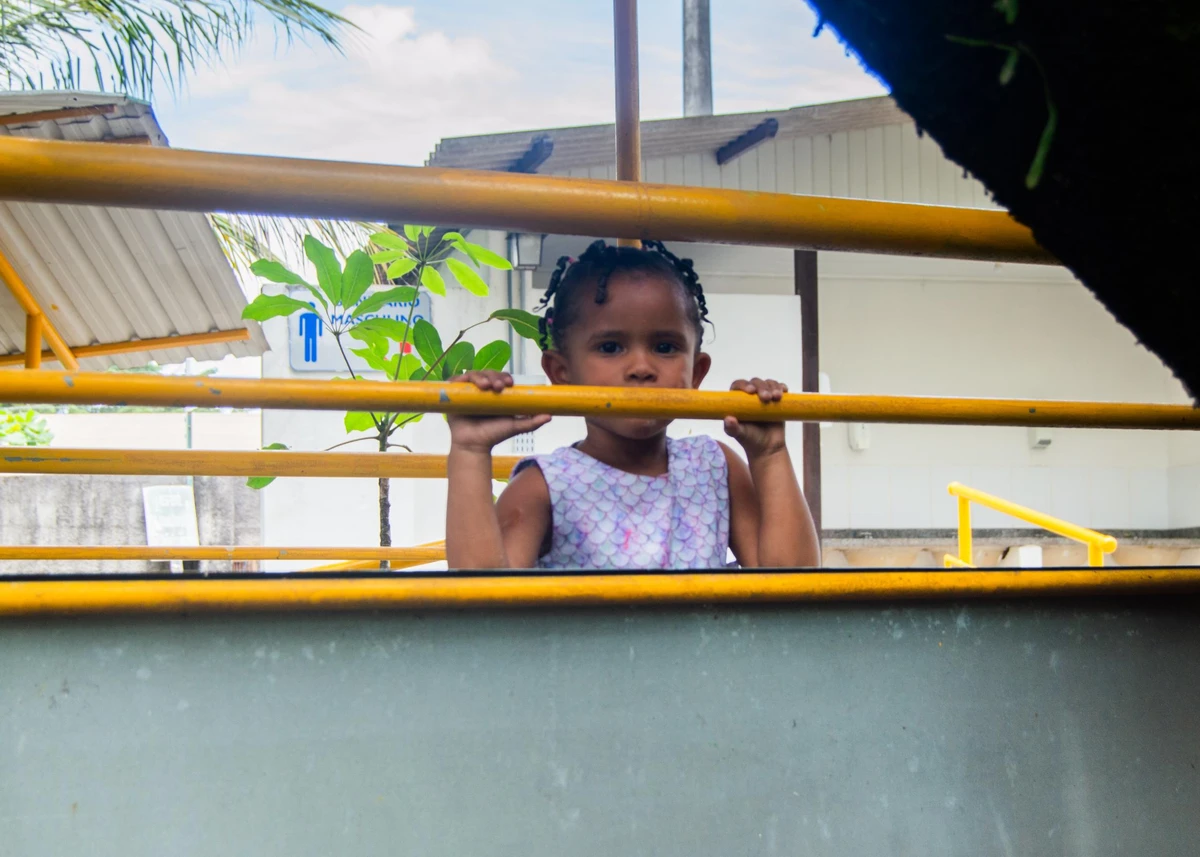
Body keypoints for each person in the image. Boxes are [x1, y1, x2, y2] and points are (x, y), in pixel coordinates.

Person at [445, 239, 820, 570]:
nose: (641, 367)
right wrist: (470, 450)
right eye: (610, 347)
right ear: (562, 372)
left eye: (665, 347)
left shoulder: (714, 468)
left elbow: (793, 583)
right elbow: (482, 596)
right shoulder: (546, 485)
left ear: (696, 372)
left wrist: (770, 454)